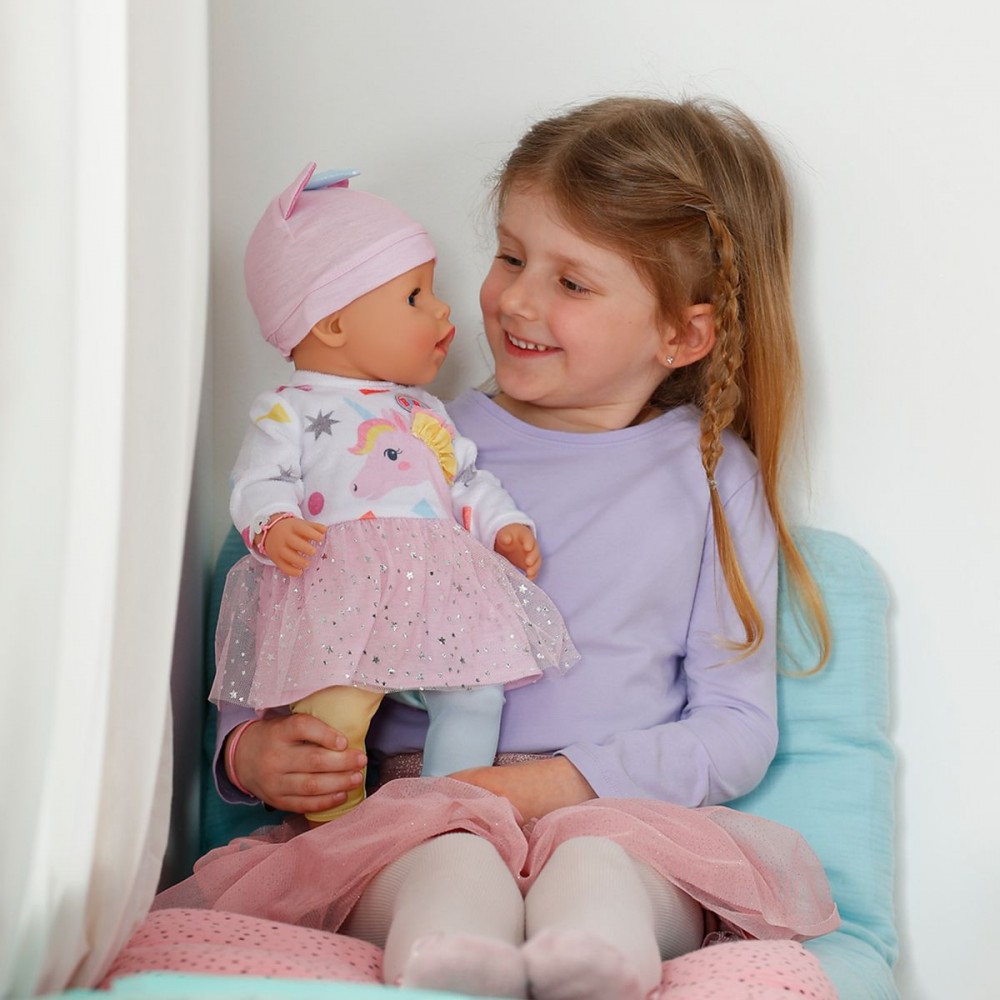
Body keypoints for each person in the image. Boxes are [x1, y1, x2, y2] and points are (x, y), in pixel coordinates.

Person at [159, 96, 838, 1000]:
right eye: (511, 256)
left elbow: (737, 729)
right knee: (450, 867)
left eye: (572, 283)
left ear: (682, 333)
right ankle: (453, 966)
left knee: (599, 872)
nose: (515, 299)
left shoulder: (712, 479)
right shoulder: (402, 445)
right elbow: (294, 614)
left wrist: (551, 788)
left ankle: (592, 967)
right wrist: (252, 749)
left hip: (616, 812)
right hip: (414, 813)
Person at [211, 163, 577, 822]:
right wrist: (273, 524)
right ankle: (341, 830)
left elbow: (465, 480)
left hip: (435, 593)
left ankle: (447, 812)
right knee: (335, 711)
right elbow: (258, 480)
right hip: (341, 593)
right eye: (415, 297)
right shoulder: (288, 409)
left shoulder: (424, 412)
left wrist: (501, 525)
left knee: (477, 692)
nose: (442, 311)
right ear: (332, 324)